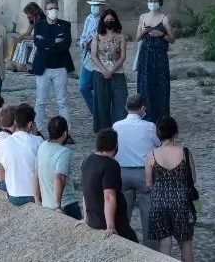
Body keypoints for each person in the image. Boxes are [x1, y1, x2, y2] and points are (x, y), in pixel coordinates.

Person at [146, 116, 196, 261]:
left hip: (159, 203)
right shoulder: (185, 153)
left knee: (164, 244)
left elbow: (148, 183)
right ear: (176, 132)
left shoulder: (152, 155)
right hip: (181, 202)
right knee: (185, 244)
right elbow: (192, 178)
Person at [113, 94, 160, 248]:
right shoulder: (149, 126)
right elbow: (158, 145)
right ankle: (151, 251)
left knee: (123, 215)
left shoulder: (116, 126)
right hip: (143, 173)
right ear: (142, 108)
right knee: (148, 217)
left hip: (122, 172)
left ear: (126, 108)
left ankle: (122, 246)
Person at [81, 128, 139, 241]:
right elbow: (109, 196)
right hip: (112, 222)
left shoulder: (87, 161)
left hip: (94, 220)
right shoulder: (111, 165)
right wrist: (110, 226)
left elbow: (85, 192)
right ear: (115, 146)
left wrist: (86, 218)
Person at [31, 0, 75, 140]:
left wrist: (47, 44)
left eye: (55, 8)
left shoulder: (65, 25)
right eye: (50, 8)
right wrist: (54, 42)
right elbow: (38, 43)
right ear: (45, 10)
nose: (53, 11)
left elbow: (65, 44)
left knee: (62, 101)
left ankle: (66, 132)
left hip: (60, 67)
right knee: (40, 101)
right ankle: (36, 130)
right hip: (43, 68)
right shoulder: (39, 25)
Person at [135, 0, 174, 124]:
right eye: (150, 1)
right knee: (145, 86)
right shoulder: (143, 17)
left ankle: (161, 117)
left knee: (161, 86)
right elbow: (137, 37)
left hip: (160, 56)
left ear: (160, 2)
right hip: (145, 56)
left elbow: (172, 38)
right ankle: (145, 115)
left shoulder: (165, 18)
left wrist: (161, 35)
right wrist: (145, 31)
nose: (153, 3)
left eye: (155, 1)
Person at [34, 116, 81, 219]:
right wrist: (58, 206)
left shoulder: (42, 146)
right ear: (65, 134)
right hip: (66, 204)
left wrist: (37, 200)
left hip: (46, 203)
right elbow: (59, 177)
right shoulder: (64, 152)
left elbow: (36, 174)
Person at [91, 8, 128, 132]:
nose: (109, 21)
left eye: (112, 19)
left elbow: (123, 56)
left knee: (121, 102)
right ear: (103, 21)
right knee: (102, 103)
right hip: (99, 72)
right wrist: (104, 70)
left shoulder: (121, 36)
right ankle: (103, 131)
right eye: (107, 20)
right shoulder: (97, 36)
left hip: (118, 72)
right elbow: (94, 55)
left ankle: (119, 129)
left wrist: (111, 71)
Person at [0, 104, 43, 206]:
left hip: (14, 196)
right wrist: (36, 133)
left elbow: (1, 175)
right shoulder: (38, 141)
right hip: (34, 195)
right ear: (31, 124)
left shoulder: (2, 143)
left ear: (15, 122)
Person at [79, 0, 108, 115]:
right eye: (93, 5)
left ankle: (102, 114)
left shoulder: (106, 20)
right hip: (87, 58)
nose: (94, 7)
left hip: (100, 58)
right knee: (84, 87)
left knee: (99, 89)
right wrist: (84, 43)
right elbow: (83, 35)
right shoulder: (89, 18)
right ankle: (96, 113)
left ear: (102, 7)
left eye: (96, 5)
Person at [13, 2, 46, 73]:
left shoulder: (44, 20)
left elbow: (38, 37)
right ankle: (22, 65)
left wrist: (24, 38)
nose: (28, 17)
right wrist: (20, 37)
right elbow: (28, 32)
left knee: (36, 44)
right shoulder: (32, 20)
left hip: (44, 40)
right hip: (36, 39)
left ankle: (32, 66)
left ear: (34, 13)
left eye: (29, 15)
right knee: (23, 42)